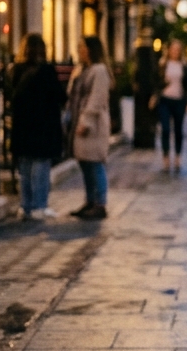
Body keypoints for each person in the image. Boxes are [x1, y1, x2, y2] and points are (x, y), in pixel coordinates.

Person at [9, 33, 65, 219]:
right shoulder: (46, 70)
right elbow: (59, 96)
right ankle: (39, 206)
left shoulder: (16, 70)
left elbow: (11, 96)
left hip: (22, 126)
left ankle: (26, 206)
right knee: (40, 168)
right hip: (43, 127)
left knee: (24, 169)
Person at [67, 36, 112, 220]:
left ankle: (100, 203)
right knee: (85, 162)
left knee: (94, 162)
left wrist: (86, 122)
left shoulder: (99, 70)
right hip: (79, 119)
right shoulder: (82, 70)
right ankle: (90, 200)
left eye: (83, 47)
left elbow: (97, 98)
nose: (79, 50)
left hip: (93, 125)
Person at [153, 39, 187, 173]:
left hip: (179, 100)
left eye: (177, 49)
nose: (175, 51)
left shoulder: (184, 65)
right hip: (165, 100)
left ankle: (178, 157)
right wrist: (162, 86)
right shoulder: (163, 64)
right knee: (165, 129)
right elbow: (157, 82)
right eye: (173, 49)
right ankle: (166, 158)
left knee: (178, 129)